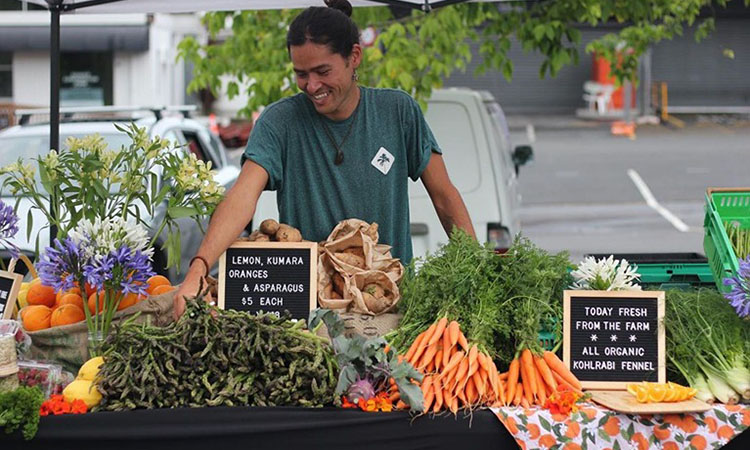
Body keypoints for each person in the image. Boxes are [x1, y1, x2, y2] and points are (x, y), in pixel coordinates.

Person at [173, 0, 475, 318]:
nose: (312, 86)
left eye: (323, 71)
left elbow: (444, 196)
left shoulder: (397, 112)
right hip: (312, 315)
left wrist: (474, 267)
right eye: (301, 74)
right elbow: (242, 196)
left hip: (390, 308)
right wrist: (198, 268)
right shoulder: (280, 122)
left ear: (353, 57)